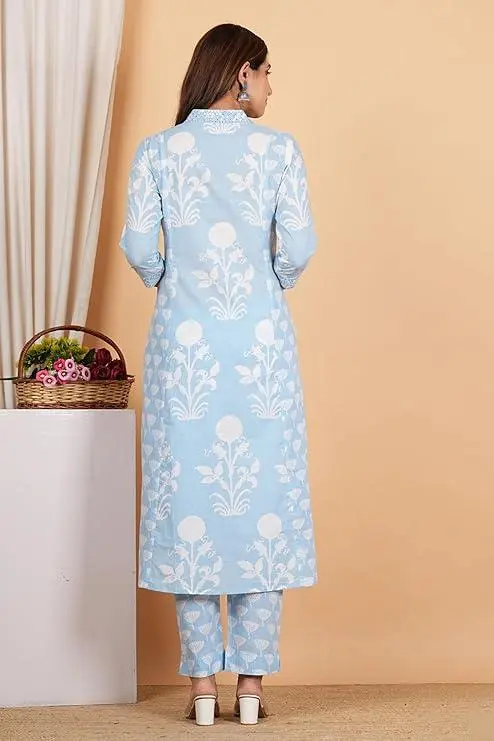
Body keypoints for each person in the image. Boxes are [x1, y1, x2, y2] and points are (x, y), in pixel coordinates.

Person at [121, 22, 317, 727]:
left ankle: (203, 686)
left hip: (185, 350)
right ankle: (251, 690)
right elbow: (299, 245)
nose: (270, 86)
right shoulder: (279, 151)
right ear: (241, 74)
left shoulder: (157, 151)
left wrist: (171, 280)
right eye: (266, 72)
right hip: (261, 350)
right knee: (260, 502)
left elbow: (139, 244)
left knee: (193, 509)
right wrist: (269, 284)